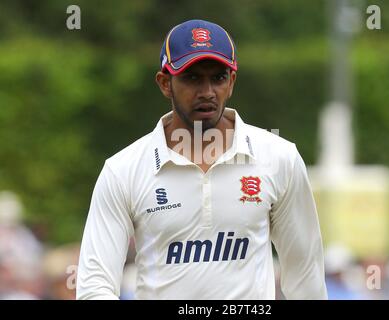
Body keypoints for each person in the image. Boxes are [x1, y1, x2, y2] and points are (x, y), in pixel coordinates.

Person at [76, 19, 327, 300]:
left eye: (218, 77)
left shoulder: (279, 158)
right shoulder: (123, 170)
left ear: (231, 82)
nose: (207, 91)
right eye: (192, 78)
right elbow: (94, 286)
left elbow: (306, 279)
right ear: (164, 83)